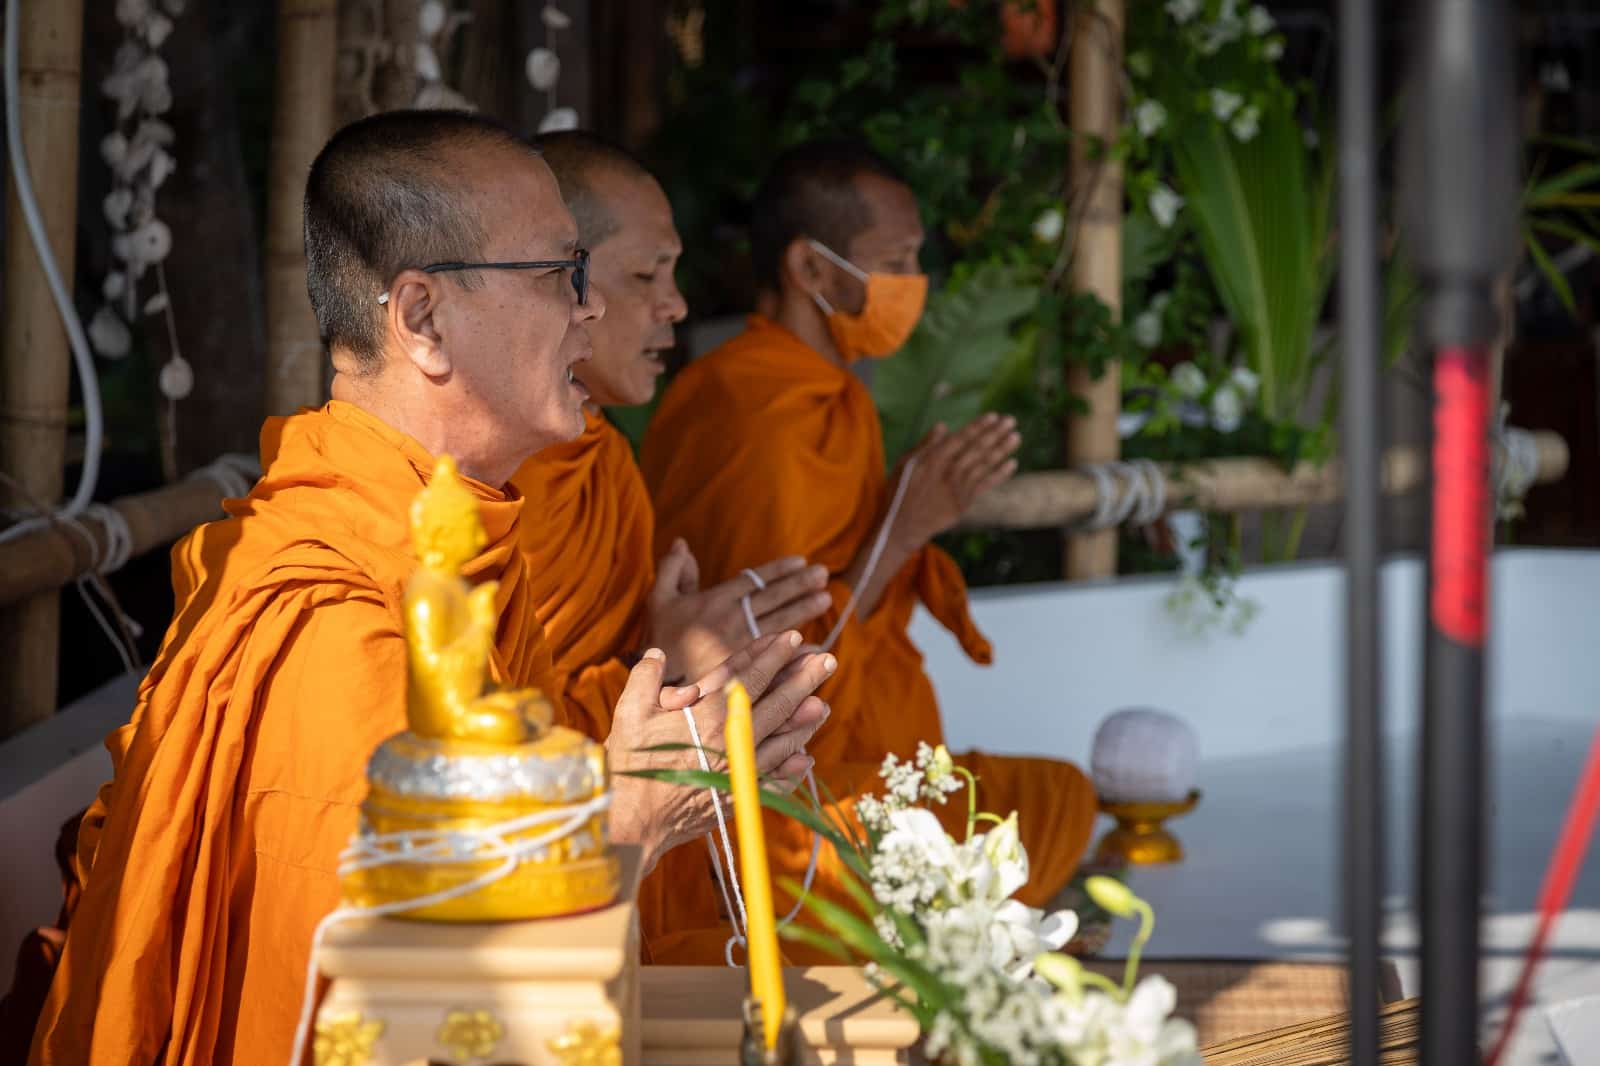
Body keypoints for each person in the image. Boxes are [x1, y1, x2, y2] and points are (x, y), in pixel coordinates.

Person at [26, 111, 832, 1065]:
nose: (592, 310)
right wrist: (629, 812)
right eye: (561, 276)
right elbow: (397, 1004)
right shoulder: (330, 627)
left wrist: (657, 752)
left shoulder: (458, 544)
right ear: (421, 318)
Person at [640, 138, 1098, 917]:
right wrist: (904, 528)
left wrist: (901, 512)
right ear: (811, 270)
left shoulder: (826, 395)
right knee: (1026, 824)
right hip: (775, 787)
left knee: (1055, 797)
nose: (912, 284)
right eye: (895, 259)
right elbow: (769, 673)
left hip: (864, 755)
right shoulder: (756, 416)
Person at [508, 130, 836, 961]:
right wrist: (664, 657)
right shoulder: (497, 474)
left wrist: (671, 646)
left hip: (636, 828)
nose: (678, 306)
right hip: (534, 877)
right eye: (647, 275)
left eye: (675, 273)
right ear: (560, 284)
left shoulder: (605, 457)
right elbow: (478, 753)